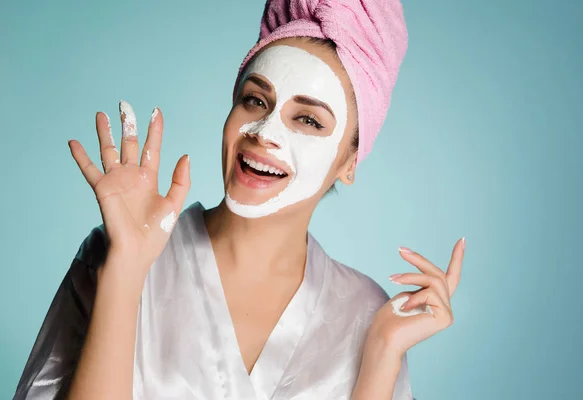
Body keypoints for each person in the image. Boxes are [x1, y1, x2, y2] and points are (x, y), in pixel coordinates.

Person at [15, 0, 464, 399]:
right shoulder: (117, 251)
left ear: (350, 160)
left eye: (307, 119)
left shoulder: (369, 314)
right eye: (254, 100)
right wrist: (126, 270)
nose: (263, 134)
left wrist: (382, 357)